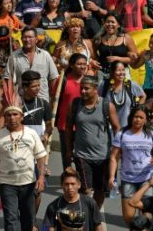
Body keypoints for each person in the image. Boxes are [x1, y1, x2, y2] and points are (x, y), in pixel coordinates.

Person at [0, 105, 47, 231]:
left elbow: (41, 157)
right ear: (4, 118)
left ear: (21, 117)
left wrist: (41, 177)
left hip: (28, 183)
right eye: (8, 115)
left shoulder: (31, 134)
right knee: (11, 220)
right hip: (8, 184)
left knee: (28, 219)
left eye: (15, 114)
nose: (12, 118)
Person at [65, 75, 120, 208]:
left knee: (100, 190)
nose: (83, 91)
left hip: (103, 156)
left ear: (96, 89)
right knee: (85, 189)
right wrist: (68, 150)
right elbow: (68, 128)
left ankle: (94, 212)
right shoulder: (75, 104)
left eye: (87, 89)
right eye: (81, 88)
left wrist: (116, 151)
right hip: (82, 155)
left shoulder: (107, 106)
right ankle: (86, 214)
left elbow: (117, 128)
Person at [108, 104, 153, 224]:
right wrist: (112, 176)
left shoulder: (151, 135)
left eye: (140, 117)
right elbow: (114, 157)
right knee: (128, 218)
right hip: (128, 180)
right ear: (130, 118)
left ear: (145, 120)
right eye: (135, 116)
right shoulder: (122, 134)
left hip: (147, 180)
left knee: (147, 217)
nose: (137, 119)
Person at [43, 167, 103, 231]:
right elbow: (48, 227)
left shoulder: (90, 203)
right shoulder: (54, 206)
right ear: (61, 185)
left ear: (79, 185)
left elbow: (98, 226)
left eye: (73, 184)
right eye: (66, 184)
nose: (69, 187)